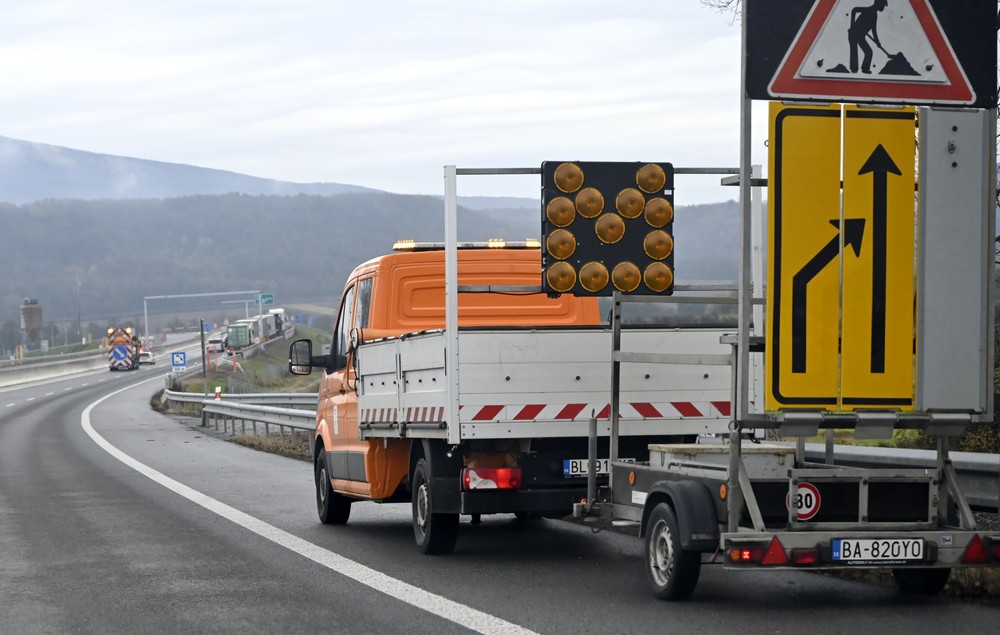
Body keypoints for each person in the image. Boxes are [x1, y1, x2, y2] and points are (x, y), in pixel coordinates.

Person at [848, 0, 888, 74]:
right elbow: (854, 10)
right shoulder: (868, 10)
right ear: (878, 4)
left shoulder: (875, 15)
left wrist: (877, 42)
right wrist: (852, 26)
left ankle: (865, 69)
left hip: (861, 36)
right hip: (853, 33)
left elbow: (874, 30)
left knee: (869, 52)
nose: (883, 7)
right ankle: (854, 70)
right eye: (882, 5)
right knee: (854, 51)